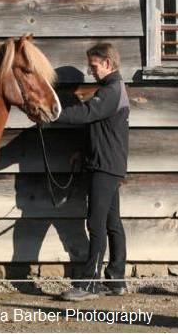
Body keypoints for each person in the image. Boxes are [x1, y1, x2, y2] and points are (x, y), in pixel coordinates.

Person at [57, 43, 130, 301]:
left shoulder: (111, 90)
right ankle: (117, 279)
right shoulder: (111, 90)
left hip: (104, 167)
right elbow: (99, 127)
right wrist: (82, 151)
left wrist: (54, 114)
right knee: (112, 223)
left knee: (96, 223)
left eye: (95, 65)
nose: (91, 70)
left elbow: (89, 113)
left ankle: (89, 284)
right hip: (106, 164)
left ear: (108, 63)